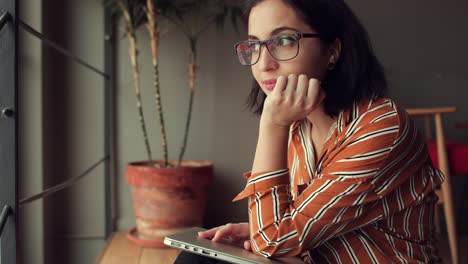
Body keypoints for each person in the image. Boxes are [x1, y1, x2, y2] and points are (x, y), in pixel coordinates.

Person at [175, 0, 443, 263]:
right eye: (254, 45)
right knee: (198, 255)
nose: (263, 63)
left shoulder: (382, 126)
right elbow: (294, 226)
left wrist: (272, 126)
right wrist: (254, 231)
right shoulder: (298, 126)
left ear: (333, 51)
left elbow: (273, 240)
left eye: (283, 41)